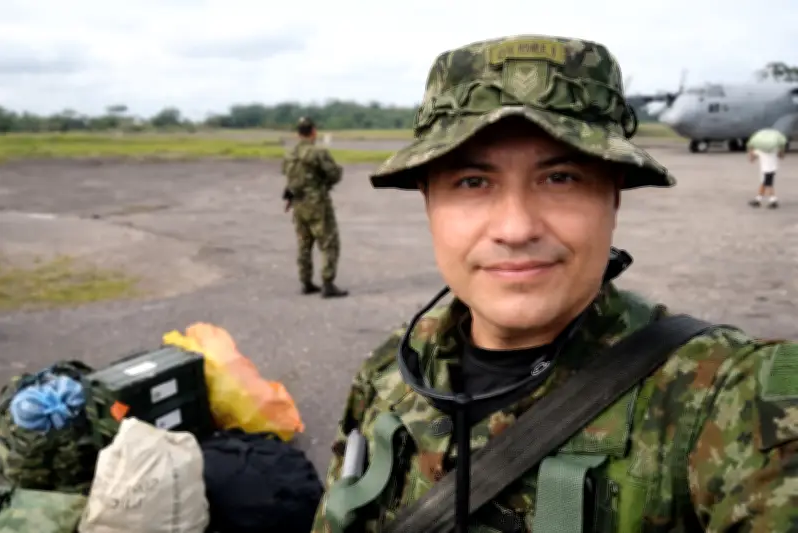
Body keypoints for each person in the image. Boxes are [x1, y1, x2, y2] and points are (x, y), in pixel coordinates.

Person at [310, 35, 798, 532]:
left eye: (560, 178)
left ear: (615, 197)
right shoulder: (390, 372)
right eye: (473, 182)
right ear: (428, 201)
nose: (517, 229)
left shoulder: (734, 395)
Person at [282, 117, 348, 298]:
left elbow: (289, 177)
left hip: (298, 203)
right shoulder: (318, 152)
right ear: (313, 132)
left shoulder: (290, 154)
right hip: (317, 203)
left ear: (298, 133)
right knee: (328, 242)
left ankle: (306, 282)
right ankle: (328, 283)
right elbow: (334, 174)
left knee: (304, 243)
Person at [748, 143, 785, 208]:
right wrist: (781, 149)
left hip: (766, 169)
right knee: (764, 183)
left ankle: (773, 200)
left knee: (768, 184)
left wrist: (751, 150)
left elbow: (752, 159)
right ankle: (758, 200)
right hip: (772, 168)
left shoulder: (760, 150)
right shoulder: (775, 149)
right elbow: (781, 156)